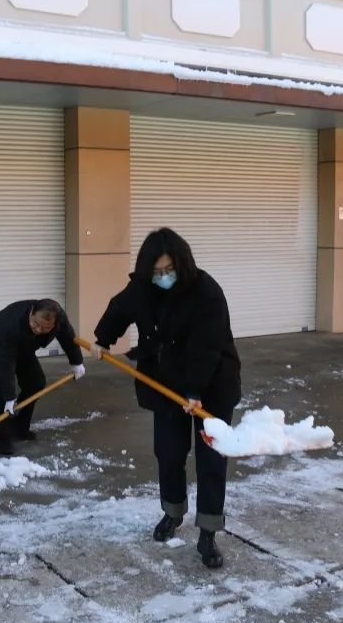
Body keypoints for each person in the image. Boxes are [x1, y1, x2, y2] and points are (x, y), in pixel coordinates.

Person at [91, 228, 240, 569]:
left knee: (211, 461)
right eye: (156, 272)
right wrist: (103, 338)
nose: (163, 277)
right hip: (165, 383)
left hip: (212, 385)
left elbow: (207, 347)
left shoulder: (206, 291)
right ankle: (172, 514)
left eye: (168, 270)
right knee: (169, 453)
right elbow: (119, 309)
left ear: (182, 264)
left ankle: (208, 531)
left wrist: (195, 391)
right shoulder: (143, 288)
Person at [0, 299, 85, 456]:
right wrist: (9, 396)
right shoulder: (12, 323)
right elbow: (5, 362)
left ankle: (20, 428)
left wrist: (76, 362)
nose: (39, 330)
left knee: (36, 382)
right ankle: (4, 437)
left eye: (45, 328)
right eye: (36, 324)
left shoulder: (59, 319)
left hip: (24, 344)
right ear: (31, 311)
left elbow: (68, 336)